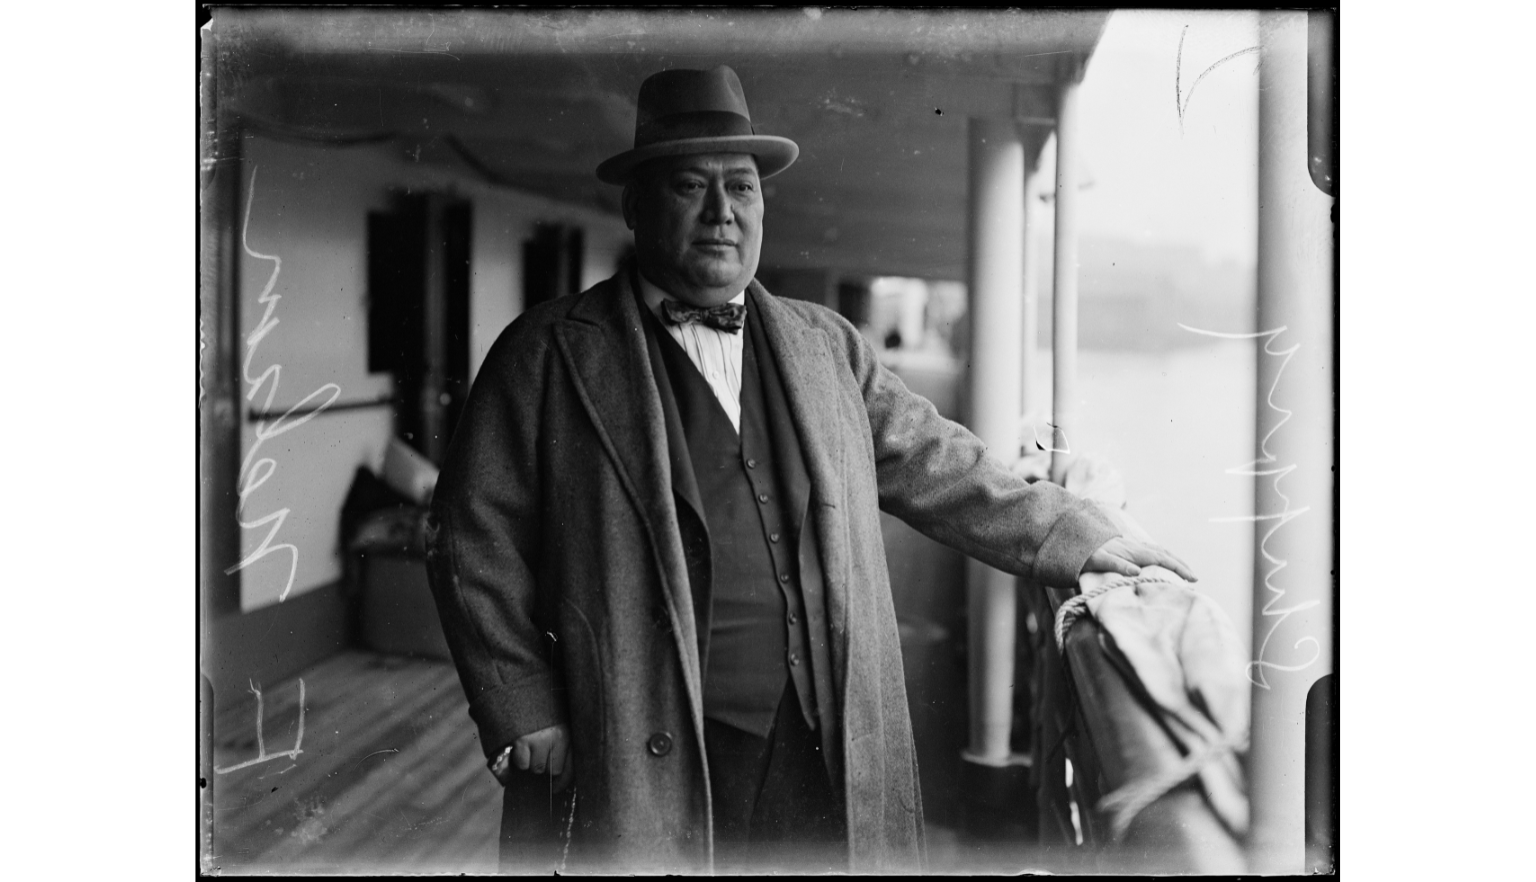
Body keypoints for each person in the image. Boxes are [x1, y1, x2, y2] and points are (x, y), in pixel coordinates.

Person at [425, 65, 1195, 874]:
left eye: (743, 188)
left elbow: (942, 464)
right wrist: (520, 700)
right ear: (636, 205)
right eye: (692, 185)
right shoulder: (547, 353)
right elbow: (468, 535)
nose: (723, 213)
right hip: (634, 731)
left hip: (823, 735)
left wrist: (1079, 536)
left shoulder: (826, 345)